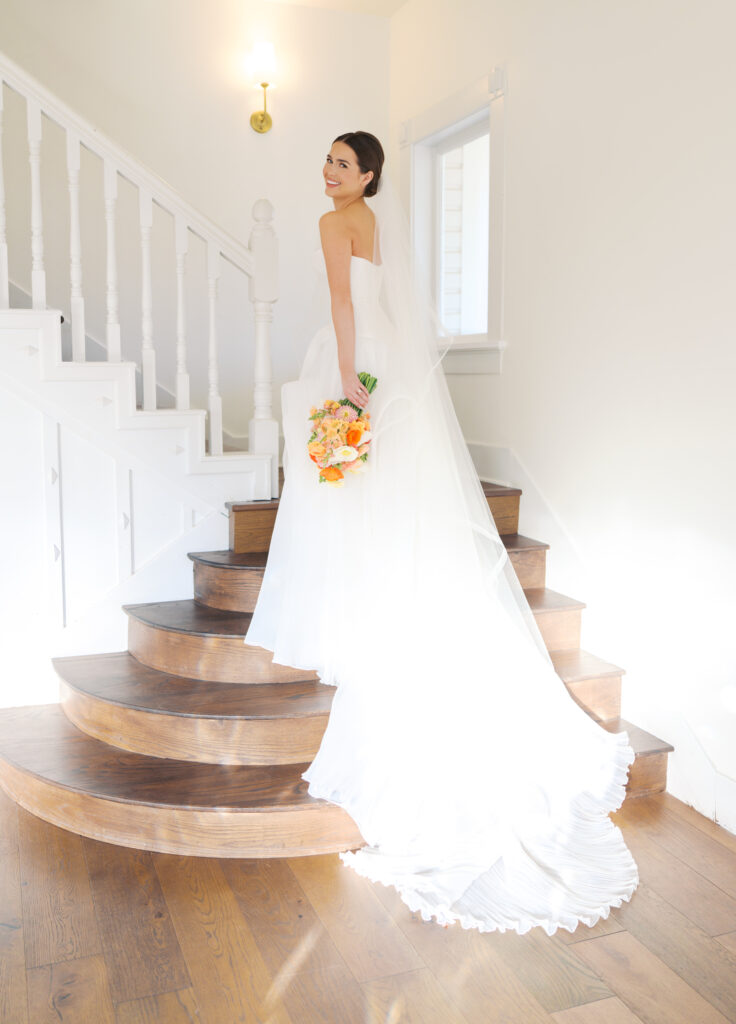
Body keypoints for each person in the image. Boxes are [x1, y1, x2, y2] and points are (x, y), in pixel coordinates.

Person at [244, 130, 639, 935]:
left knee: (351, 500)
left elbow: (344, 306)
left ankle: (369, 631)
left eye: (343, 166)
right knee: (394, 507)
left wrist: (350, 387)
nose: (329, 175)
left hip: (358, 369)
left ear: (370, 175)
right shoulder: (382, 226)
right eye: (327, 162)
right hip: (396, 375)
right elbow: (389, 305)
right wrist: (377, 380)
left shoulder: (332, 226)